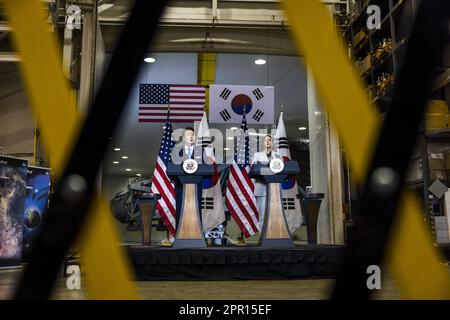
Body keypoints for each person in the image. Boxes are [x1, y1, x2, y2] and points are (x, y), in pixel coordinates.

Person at [173, 127, 204, 231]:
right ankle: (179, 237)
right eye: (188, 134)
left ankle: (198, 237)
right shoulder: (176, 151)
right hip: (181, 188)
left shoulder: (200, 152)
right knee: (181, 213)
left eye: (193, 135)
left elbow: (205, 168)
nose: (191, 136)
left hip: (196, 188)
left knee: (196, 212)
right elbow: (172, 168)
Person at [251, 134, 281, 230]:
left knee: (275, 215)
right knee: (262, 214)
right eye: (265, 140)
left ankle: (274, 235)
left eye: (270, 140)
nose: (268, 142)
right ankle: (262, 237)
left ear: (272, 143)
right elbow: (253, 171)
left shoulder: (277, 155)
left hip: (275, 191)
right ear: (263, 143)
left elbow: (281, 171)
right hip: (261, 188)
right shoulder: (257, 155)